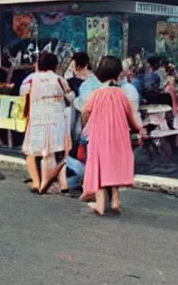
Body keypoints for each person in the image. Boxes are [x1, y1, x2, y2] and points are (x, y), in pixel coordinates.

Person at [81, 56, 142, 215]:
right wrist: (138, 129)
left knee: (100, 167)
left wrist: (84, 125)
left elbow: (86, 112)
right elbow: (130, 116)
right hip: (119, 135)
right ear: (118, 74)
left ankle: (100, 205)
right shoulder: (122, 94)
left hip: (100, 135)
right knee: (113, 166)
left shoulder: (97, 93)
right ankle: (115, 201)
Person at [20, 52, 75, 194]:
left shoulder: (30, 79)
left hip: (37, 120)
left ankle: (42, 183)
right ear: (56, 65)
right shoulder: (59, 80)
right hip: (58, 122)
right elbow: (71, 98)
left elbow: (22, 93)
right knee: (55, 153)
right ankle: (58, 184)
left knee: (42, 153)